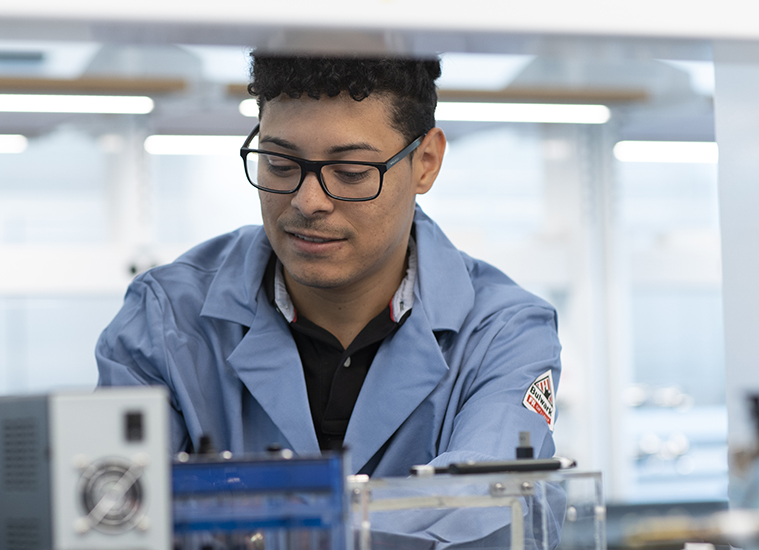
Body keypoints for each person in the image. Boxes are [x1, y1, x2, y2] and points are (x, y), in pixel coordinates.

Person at [96, 53, 561, 478]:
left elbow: (488, 517)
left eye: (352, 172)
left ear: (426, 162)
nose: (307, 201)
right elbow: (114, 512)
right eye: (279, 163)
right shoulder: (164, 317)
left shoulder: (504, 334)